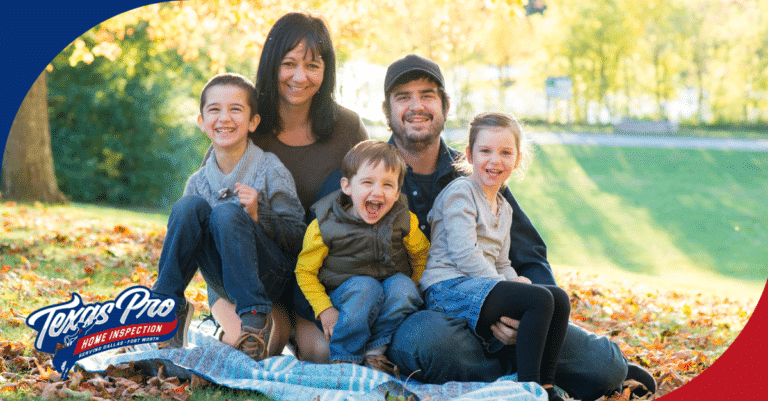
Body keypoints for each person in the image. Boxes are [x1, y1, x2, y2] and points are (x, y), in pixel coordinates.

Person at [375, 54, 656, 401]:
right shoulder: (372, 174)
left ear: (445, 107)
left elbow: (528, 254)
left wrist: (526, 313)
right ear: (387, 110)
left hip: (498, 305)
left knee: (605, 365)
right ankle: (529, 375)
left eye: (427, 95)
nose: (416, 106)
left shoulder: (483, 171)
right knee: (428, 343)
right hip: (434, 319)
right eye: (403, 96)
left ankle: (528, 370)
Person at [205, 12, 368, 362]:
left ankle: (299, 328)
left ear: (326, 71)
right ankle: (236, 324)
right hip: (250, 274)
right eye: (288, 63)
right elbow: (208, 200)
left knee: (322, 353)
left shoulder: (348, 129)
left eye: (312, 65)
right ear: (271, 64)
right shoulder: (244, 117)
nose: (299, 77)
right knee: (258, 347)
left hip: (316, 277)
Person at [151, 73, 306, 362]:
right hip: (224, 281)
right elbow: (189, 251)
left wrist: (261, 216)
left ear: (253, 122)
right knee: (188, 207)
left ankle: (256, 320)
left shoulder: (270, 168)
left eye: (235, 109)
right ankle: (168, 307)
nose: (224, 118)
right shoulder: (197, 182)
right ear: (201, 122)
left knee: (226, 213)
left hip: (271, 277)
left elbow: (298, 238)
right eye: (214, 110)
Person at [421, 112, 569, 401]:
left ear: (517, 159)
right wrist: (509, 287)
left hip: (481, 286)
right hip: (447, 288)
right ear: (470, 155)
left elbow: (502, 262)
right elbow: (464, 254)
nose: (495, 160)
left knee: (557, 297)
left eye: (505, 153)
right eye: (485, 151)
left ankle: (546, 388)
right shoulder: (461, 193)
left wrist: (515, 282)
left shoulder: (504, 207)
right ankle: (527, 389)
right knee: (538, 299)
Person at [294, 140, 430, 375]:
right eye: (367, 182)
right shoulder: (325, 226)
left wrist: (417, 288)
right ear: (347, 186)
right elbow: (304, 272)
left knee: (404, 286)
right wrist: (325, 310)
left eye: (388, 185)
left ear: (397, 193)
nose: (377, 191)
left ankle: (375, 352)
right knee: (365, 287)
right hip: (345, 297)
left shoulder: (403, 220)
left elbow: (422, 255)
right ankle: (345, 360)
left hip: (387, 295)